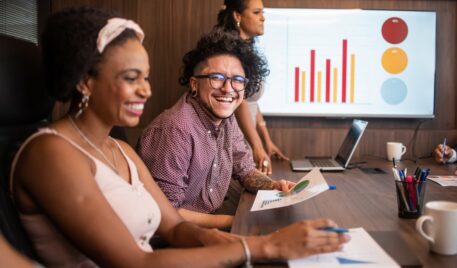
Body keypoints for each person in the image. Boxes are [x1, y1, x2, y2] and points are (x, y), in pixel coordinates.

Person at [10, 7, 349, 267]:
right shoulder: (50, 152)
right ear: (84, 81)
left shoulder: (120, 148)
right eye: (132, 77)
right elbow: (136, 262)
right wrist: (263, 245)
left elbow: (175, 228)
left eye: (146, 77)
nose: (146, 90)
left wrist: (258, 229)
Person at [137, 28, 295, 230]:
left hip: (208, 221)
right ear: (194, 84)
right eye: (217, 77)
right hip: (173, 235)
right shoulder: (175, 129)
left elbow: (245, 169)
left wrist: (273, 185)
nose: (228, 89)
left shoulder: (227, 119)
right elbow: (166, 212)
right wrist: (238, 223)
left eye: (237, 80)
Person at [215, 0, 289, 175]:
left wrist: (266, 141)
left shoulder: (248, 49)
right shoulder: (230, 52)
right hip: (235, 139)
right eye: (256, 13)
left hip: (248, 136)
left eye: (263, 13)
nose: (263, 18)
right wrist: (257, 146)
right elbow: (240, 101)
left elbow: (251, 99)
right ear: (237, 16)